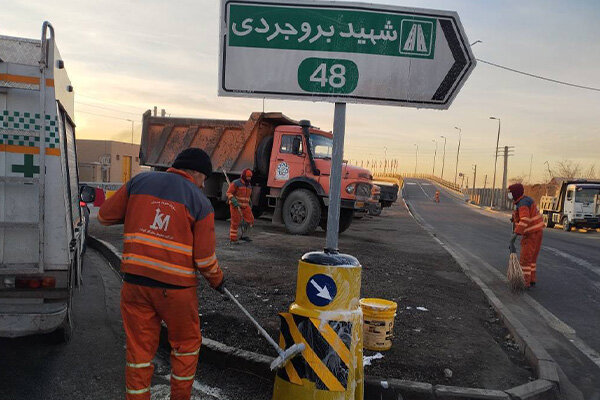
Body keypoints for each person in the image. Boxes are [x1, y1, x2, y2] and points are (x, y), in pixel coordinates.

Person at [98, 148, 224, 400]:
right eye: (203, 179)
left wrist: (137, 213)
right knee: (186, 346)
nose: (202, 185)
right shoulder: (200, 203)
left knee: (139, 353)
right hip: (176, 291)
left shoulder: (139, 182)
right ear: (197, 173)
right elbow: (204, 260)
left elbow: (103, 216)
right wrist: (218, 280)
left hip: (135, 285)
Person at [508, 183, 544, 288]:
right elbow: (523, 216)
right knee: (532, 259)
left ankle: (524, 282)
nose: (509, 195)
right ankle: (532, 279)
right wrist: (515, 219)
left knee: (525, 259)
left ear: (515, 193)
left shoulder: (523, 203)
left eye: (510, 192)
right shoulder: (524, 200)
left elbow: (525, 219)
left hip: (531, 234)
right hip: (537, 232)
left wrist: (516, 234)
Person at [227, 168, 254, 243]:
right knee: (235, 222)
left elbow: (248, 196)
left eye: (250, 177)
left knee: (250, 219)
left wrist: (249, 202)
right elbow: (229, 193)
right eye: (248, 177)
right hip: (235, 206)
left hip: (245, 206)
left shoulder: (248, 185)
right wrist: (233, 200)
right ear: (244, 176)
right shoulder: (236, 183)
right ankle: (233, 239)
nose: (249, 178)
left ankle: (244, 235)